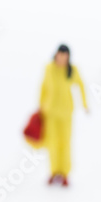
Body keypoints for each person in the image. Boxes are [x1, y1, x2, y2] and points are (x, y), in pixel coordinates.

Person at [40, 44, 88, 187]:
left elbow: (81, 85)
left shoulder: (72, 70)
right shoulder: (49, 68)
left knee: (65, 142)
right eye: (60, 56)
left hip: (66, 111)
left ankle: (65, 173)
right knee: (52, 143)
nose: (62, 59)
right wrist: (40, 106)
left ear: (68, 57)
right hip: (50, 112)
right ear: (56, 55)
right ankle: (54, 171)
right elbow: (43, 87)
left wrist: (84, 104)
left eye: (65, 57)